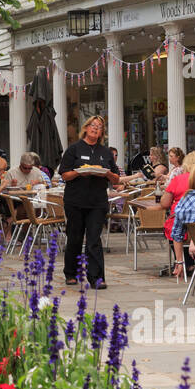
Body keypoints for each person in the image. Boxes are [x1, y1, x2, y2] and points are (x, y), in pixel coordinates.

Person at [56, 115, 120, 289]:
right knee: (75, 238)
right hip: (75, 201)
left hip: (97, 202)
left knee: (93, 240)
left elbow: (116, 179)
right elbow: (65, 175)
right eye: (93, 125)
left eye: (99, 127)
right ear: (85, 128)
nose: (95, 128)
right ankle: (71, 273)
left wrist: (107, 174)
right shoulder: (74, 149)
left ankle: (97, 278)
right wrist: (79, 172)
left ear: (102, 133)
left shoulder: (106, 152)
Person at [161, 151, 195, 278]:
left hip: (179, 226)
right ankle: (191, 262)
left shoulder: (178, 180)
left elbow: (164, 203)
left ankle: (180, 261)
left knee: (172, 228)